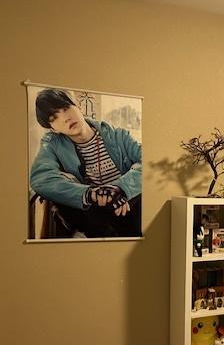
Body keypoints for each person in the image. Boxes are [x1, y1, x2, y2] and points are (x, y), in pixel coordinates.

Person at [30, 89, 142, 238]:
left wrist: (121, 189)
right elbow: (40, 179)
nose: (65, 118)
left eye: (65, 108)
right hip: (92, 211)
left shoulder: (118, 135)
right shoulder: (52, 143)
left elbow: (149, 162)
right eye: (54, 118)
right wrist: (90, 194)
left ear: (79, 107)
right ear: (53, 128)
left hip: (126, 205)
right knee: (64, 196)